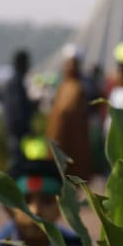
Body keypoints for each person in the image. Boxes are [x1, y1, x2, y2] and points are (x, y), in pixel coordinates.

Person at [46, 44, 92, 182]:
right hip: (58, 141)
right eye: (68, 63)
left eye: (73, 63)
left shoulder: (81, 87)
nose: (69, 67)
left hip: (75, 142)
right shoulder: (62, 85)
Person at [1, 49, 35, 171]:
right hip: (17, 131)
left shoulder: (16, 82)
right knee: (17, 162)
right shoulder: (15, 84)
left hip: (15, 130)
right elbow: (17, 110)